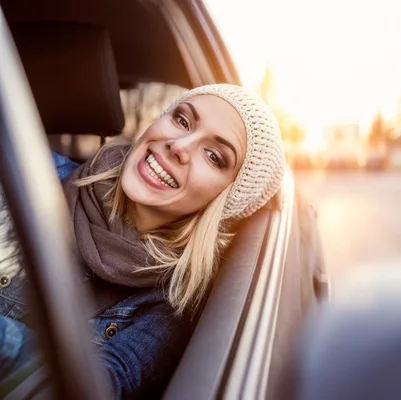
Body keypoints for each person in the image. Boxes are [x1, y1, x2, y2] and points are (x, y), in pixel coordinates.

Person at [0, 83, 285, 398]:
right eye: (182, 120)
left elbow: (91, 387)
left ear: (227, 199)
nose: (179, 145)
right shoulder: (22, 169)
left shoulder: (169, 308)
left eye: (214, 156)